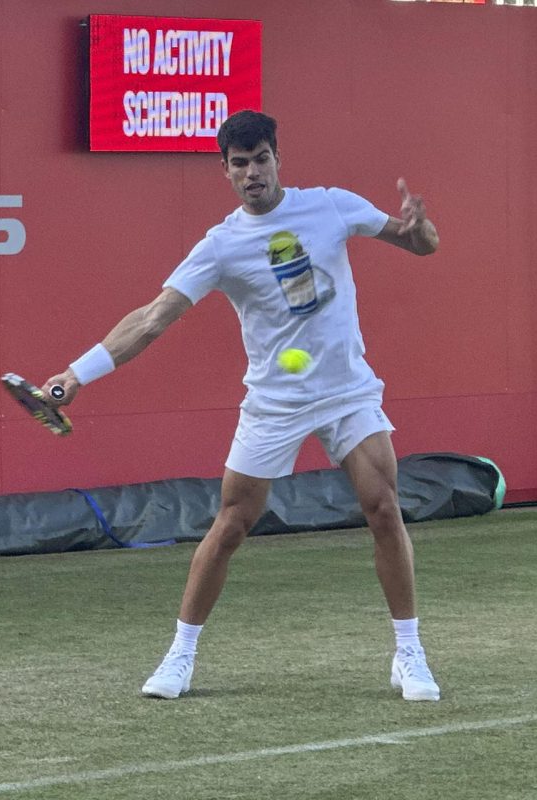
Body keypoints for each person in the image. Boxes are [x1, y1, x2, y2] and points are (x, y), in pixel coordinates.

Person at [41, 110, 442, 701]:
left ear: (278, 157)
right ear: (225, 171)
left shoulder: (331, 205)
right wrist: (75, 375)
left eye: (261, 159)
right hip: (274, 402)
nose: (252, 172)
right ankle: (180, 655)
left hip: (347, 390)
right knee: (231, 524)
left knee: (383, 507)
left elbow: (421, 247)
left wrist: (418, 227)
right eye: (240, 164)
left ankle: (409, 653)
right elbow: (152, 320)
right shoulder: (222, 245)